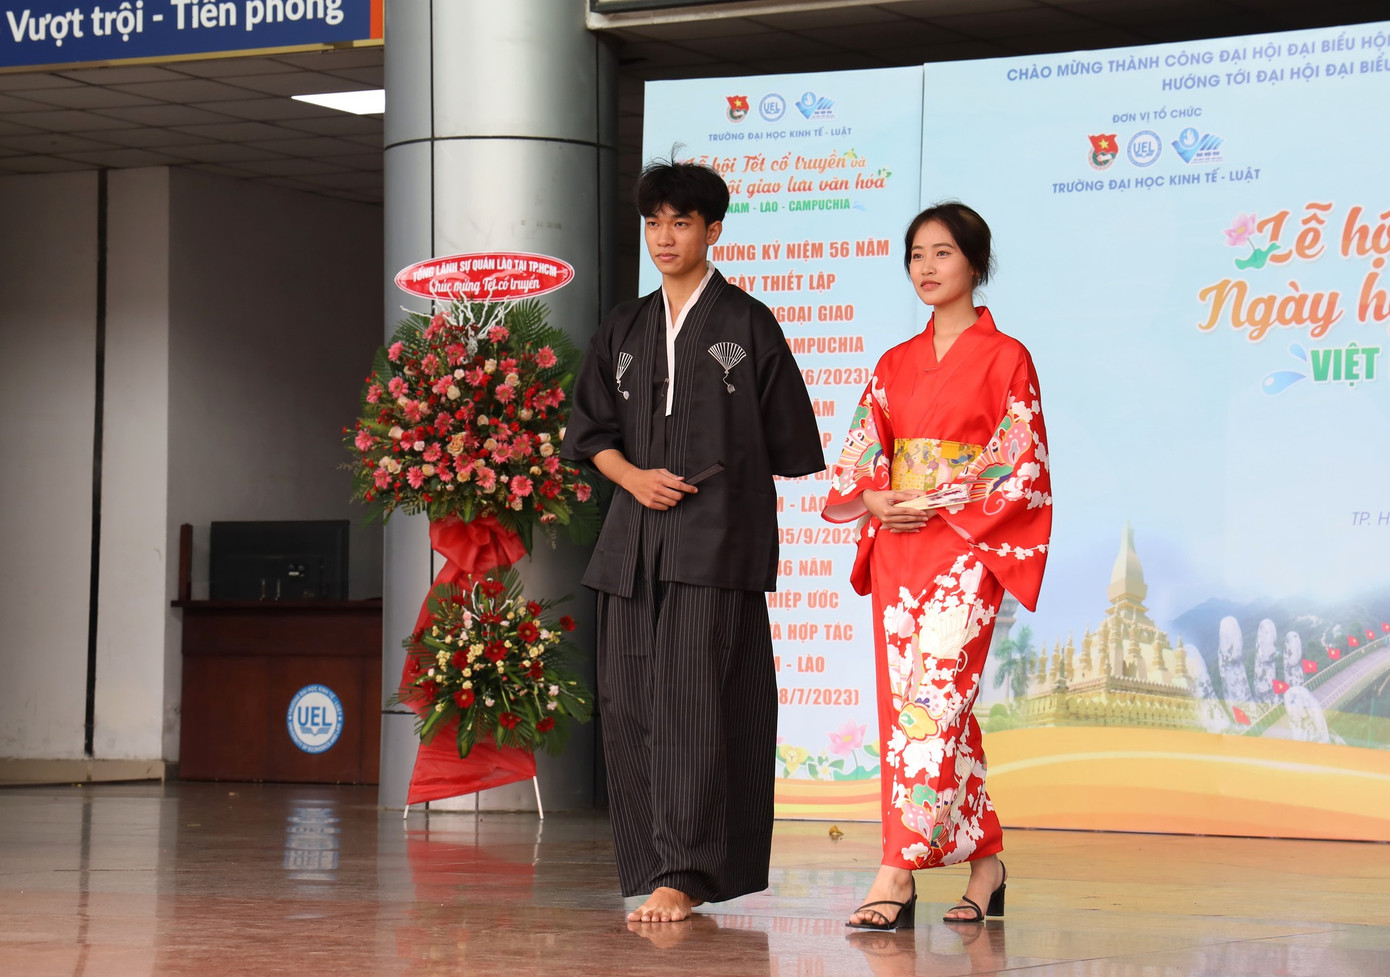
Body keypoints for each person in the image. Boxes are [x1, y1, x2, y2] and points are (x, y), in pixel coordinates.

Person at [561, 159, 823, 923]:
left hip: (714, 546)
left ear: (713, 231)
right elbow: (590, 433)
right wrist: (633, 478)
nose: (664, 237)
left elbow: (791, 442)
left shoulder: (747, 323)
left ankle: (686, 870)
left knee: (697, 708)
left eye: (681, 222)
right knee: (628, 705)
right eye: (653, 223)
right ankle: (654, 865)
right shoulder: (624, 326)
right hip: (631, 547)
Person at [821, 203, 1052, 929]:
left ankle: (896, 870)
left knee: (937, 702)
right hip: (900, 544)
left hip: (966, 546)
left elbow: (1020, 462)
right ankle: (987, 865)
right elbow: (865, 452)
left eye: (942, 252)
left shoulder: (1007, 356)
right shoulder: (894, 361)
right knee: (913, 708)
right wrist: (875, 497)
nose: (926, 266)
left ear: (976, 263)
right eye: (916, 254)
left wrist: (939, 498)